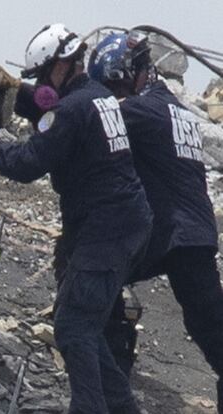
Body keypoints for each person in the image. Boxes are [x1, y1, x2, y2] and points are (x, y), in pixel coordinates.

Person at [0, 23, 153, 414]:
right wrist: (19, 92)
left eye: (44, 75)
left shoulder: (73, 108)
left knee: (73, 329)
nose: (44, 84)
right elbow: (51, 113)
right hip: (123, 225)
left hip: (106, 229)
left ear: (61, 66)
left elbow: (27, 163)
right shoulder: (97, 96)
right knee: (85, 327)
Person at [88, 31, 223, 413]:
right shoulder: (171, 108)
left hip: (172, 233)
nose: (113, 92)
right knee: (211, 327)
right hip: (194, 233)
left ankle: (113, 372)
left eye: (114, 83)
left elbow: (90, 117)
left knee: (93, 273)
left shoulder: (138, 111)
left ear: (132, 74)